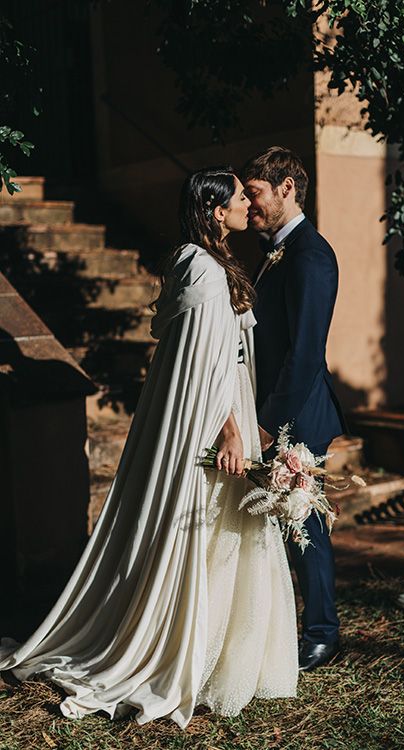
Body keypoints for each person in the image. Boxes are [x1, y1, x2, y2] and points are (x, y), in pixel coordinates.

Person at [0, 167, 298, 727]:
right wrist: (232, 429)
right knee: (203, 526)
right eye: (237, 198)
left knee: (225, 531)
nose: (245, 205)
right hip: (214, 421)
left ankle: (223, 651)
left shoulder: (207, 263)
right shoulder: (203, 269)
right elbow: (206, 369)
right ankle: (179, 648)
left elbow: (223, 359)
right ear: (215, 211)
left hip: (229, 407)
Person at [243, 146, 346, 672]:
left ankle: (323, 634)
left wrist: (266, 423)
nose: (248, 203)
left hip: (296, 414)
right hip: (274, 409)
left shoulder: (310, 253)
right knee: (283, 524)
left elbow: (306, 352)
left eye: (255, 192)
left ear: (286, 187)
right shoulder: (276, 250)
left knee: (304, 525)